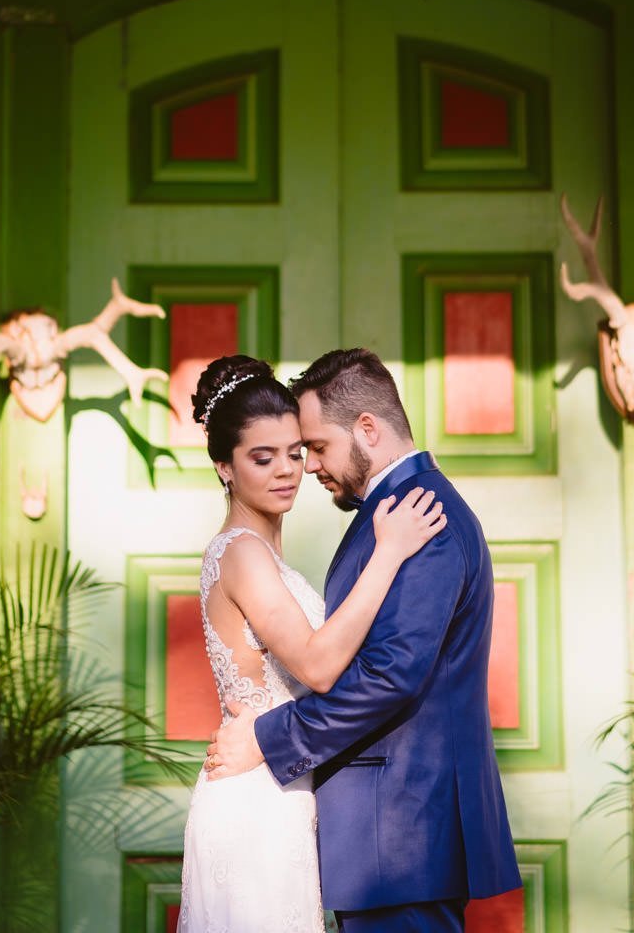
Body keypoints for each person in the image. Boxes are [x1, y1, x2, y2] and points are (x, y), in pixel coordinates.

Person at [206, 347, 522, 932]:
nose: (308, 467)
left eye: (314, 448)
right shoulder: (391, 512)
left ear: (368, 429)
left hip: (401, 831)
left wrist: (267, 738)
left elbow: (389, 675)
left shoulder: (421, 514)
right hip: (381, 836)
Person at [177, 354, 447, 933]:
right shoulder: (242, 553)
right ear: (225, 467)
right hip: (256, 798)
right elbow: (319, 667)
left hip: (285, 784)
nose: (287, 471)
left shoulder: (266, 556)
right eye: (262, 457)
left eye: (297, 453)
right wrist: (390, 552)